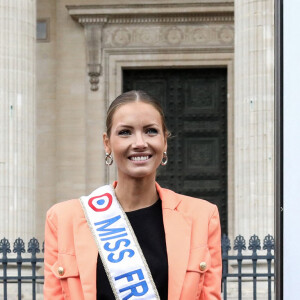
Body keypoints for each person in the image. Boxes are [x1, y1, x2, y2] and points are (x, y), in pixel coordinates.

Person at [44, 90, 222, 300]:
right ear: (107, 143)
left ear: (165, 141)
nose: (139, 142)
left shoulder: (202, 216)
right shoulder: (64, 219)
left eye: (151, 131)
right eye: (125, 132)